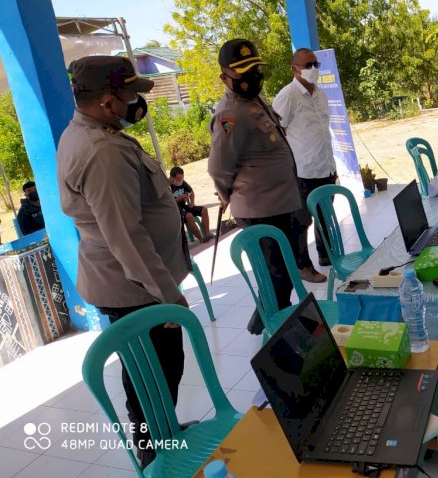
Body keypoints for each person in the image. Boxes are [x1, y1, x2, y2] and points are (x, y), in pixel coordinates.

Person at [57, 56, 191, 468]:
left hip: (133, 284)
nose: (137, 102)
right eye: (130, 95)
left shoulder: (96, 132)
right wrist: (168, 296)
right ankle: (155, 455)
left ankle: (160, 435)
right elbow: (125, 236)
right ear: (107, 101)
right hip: (135, 289)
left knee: (151, 371)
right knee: (155, 373)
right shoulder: (102, 151)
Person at [207, 39, 302, 335]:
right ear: (225, 77)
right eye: (242, 73)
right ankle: (274, 330)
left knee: (282, 273)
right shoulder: (230, 114)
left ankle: (269, 320)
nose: (251, 78)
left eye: (254, 70)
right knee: (277, 276)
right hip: (260, 210)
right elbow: (218, 167)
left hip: (280, 205)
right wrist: (227, 196)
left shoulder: (254, 102)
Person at [272, 48, 337, 284]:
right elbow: (276, 135)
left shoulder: (320, 94)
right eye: (307, 65)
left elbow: (322, 132)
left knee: (325, 216)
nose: (313, 69)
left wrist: (332, 166)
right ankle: (303, 266)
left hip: (325, 166)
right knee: (301, 222)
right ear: (294, 68)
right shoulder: (287, 96)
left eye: (315, 64)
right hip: (302, 171)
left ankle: (327, 256)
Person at [169, 166, 212, 243]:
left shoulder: (183, 182)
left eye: (182, 179)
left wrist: (192, 203)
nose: (180, 181)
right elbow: (168, 204)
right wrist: (178, 199)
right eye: (178, 180)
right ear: (172, 178)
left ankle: (207, 234)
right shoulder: (167, 187)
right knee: (189, 216)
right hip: (175, 210)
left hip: (185, 206)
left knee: (204, 210)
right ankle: (201, 238)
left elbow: (191, 192)